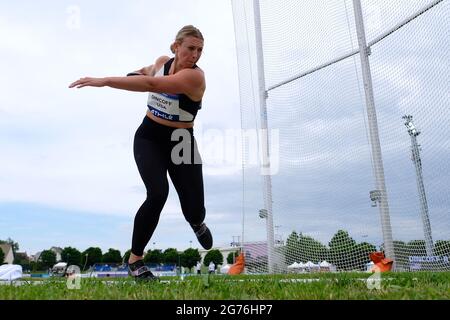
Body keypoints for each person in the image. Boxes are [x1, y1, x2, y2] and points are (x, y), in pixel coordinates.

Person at [69, 25, 213, 281]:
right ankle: (135, 259)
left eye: (200, 50)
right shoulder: (161, 62)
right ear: (176, 46)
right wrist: (133, 73)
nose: (195, 54)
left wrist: (104, 81)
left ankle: (197, 223)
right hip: (150, 137)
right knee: (157, 193)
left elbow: (150, 83)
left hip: (181, 142)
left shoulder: (195, 77)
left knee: (194, 210)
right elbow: (147, 72)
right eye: (191, 48)